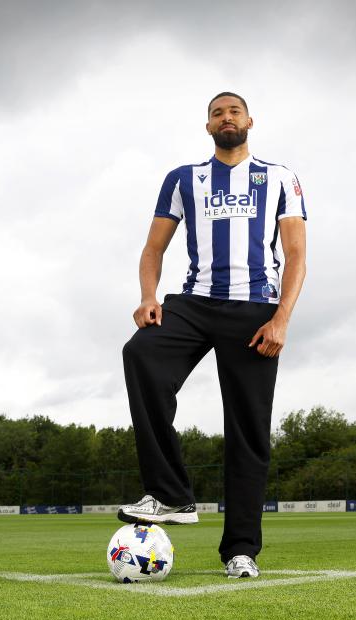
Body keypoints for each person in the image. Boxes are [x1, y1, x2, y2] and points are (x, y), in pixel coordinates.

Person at [118, 91, 307, 579]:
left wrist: (281, 319)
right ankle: (171, 493)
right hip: (194, 303)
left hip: (256, 309)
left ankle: (240, 550)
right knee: (141, 353)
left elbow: (296, 256)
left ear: (250, 121)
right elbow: (152, 247)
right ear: (208, 127)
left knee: (248, 432)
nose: (227, 118)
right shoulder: (184, 179)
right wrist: (148, 296)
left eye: (234, 111)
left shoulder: (280, 178)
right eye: (217, 113)